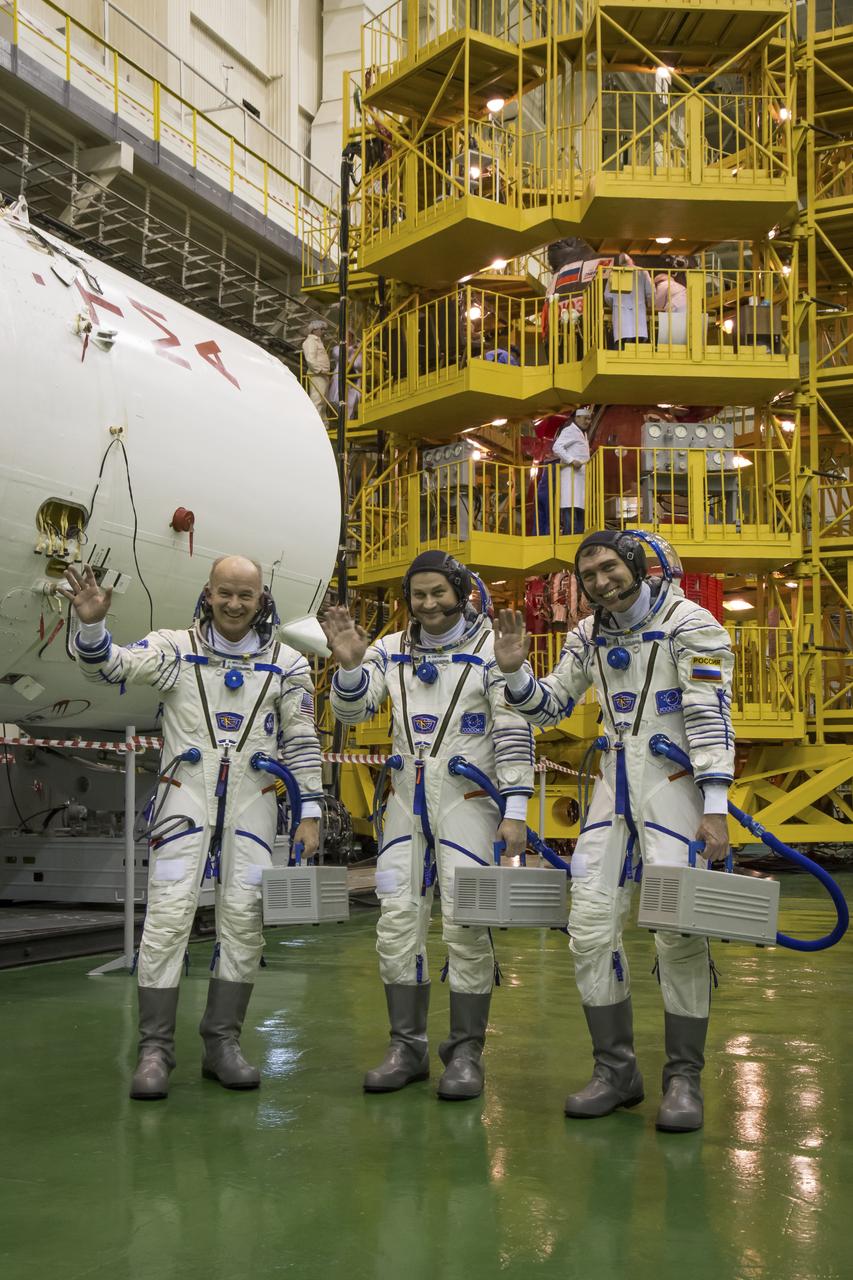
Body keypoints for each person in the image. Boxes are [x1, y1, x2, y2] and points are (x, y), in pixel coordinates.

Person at [492, 530, 734, 1132]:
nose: (601, 583)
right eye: (589, 575)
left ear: (635, 566)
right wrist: (516, 675)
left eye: (609, 569)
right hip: (614, 785)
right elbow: (551, 705)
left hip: (674, 784)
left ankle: (683, 1080)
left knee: (678, 927)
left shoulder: (690, 624)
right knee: (590, 925)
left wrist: (716, 804)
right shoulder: (587, 634)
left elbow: (709, 715)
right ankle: (616, 1072)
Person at [62, 557, 323, 1101]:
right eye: (225, 593)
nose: (234, 604)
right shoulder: (174, 650)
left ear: (261, 598)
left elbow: (300, 739)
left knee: (244, 921)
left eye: (245, 595)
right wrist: (92, 626)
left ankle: (222, 1043)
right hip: (184, 802)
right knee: (167, 917)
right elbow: (110, 668)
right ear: (209, 592)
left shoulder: (288, 664)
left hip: (253, 804)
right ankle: (155, 1050)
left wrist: (311, 812)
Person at [323, 551, 535, 1100]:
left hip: (469, 800)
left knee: (466, 922)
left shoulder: (492, 650)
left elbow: (515, 729)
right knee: (396, 919)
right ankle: (407, 1048)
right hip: (405, 804)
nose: (429, 603)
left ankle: (465, 1053)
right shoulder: (390, 650)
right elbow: (351, 713)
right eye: (418, 594)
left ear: (461, 592)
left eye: (439, 592)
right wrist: (350, 668)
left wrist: (516, 809)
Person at [552, 406, 592, 534]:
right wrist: (571, 460)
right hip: (571, 477)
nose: (588, 422)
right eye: (585, 418)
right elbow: (557, 447)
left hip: (580, 478)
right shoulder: (570, 431)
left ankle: (578, 537)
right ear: (577, 418)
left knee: (579, 510)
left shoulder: (583, 434)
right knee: (570, 510)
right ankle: (568, 537)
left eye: (589, 419)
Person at [604, 253, 653, 348]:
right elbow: (650, 292)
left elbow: (607, 296)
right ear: (632, 261)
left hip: (621, 320)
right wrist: (650, 305)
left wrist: (614, 307)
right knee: (639, 347)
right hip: (639, 321)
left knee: (621, 347)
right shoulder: (642, 272)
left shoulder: (614, 273)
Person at [302, 319, 331, 415]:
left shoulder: (318, 341)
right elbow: (310, 359)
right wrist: (320, 370)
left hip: (322, 375)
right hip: (317, 375)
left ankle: (323, 422)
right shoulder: (311, 341)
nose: (323, 331)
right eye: (321, 329)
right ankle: (315, 421)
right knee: (317, 400)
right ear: (314, 330)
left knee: (323, 401)